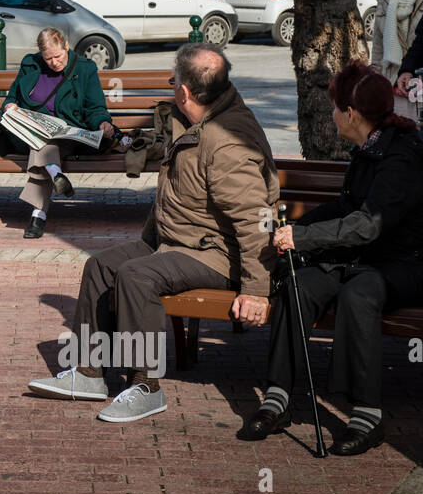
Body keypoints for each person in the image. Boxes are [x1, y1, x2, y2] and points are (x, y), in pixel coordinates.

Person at [27, 44, 278, 422]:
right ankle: (90, 373)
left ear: (184, 91)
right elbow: (174, 191)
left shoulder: (228, 142)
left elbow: (254, 218)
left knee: (137, 276)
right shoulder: (190, 118)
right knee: (101, 267)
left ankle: (146, 385)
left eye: (174, 80)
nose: (171, 85)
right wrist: (147, 241)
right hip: (178, 240)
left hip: (218, 253)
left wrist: (256, 290)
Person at [244, 63, 423, 455]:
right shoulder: (369, 148)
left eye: (335, 107)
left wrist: (303, 236)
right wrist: (296, 228)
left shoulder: (402, 156)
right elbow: (346, 206)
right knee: (299, 284)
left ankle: (366, 416)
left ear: (351, 114)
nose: (332, 114)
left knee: (359, 293)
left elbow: (368, 224)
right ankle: (277, 396)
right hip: (363, 258)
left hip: (412, 264)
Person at [0, 28, 116, 239]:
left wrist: (102, 123)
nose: (53, 62)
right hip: (28, 131)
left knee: (44, 146)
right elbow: (11, 97)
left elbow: (95, 107)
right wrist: (10, 107)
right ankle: (54, 176)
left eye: (58, 56)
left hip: (65, 134)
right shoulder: (30, 65)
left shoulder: (85, 68)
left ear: (66, 45)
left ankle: (40, 212)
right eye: (48, 58)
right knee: (41, 142)